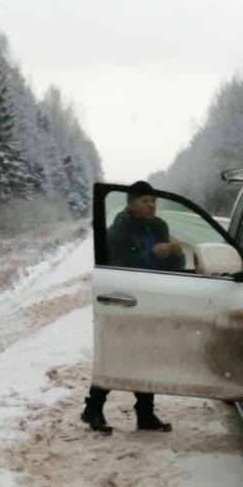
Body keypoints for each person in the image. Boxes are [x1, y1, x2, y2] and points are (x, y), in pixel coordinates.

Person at [81, 180, 184, 434]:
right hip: (127, 299)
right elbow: (116, 264)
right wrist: (151, 255)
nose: (151, 205)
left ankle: (145, 415)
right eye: (145, 201)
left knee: (148, 355)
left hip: (155, 297)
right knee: (119, 353)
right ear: (132, 205)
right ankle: (92, 409)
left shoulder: (160, 226)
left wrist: (177, 253)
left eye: (153, 200)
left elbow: (174, 267)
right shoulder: (119, 230)